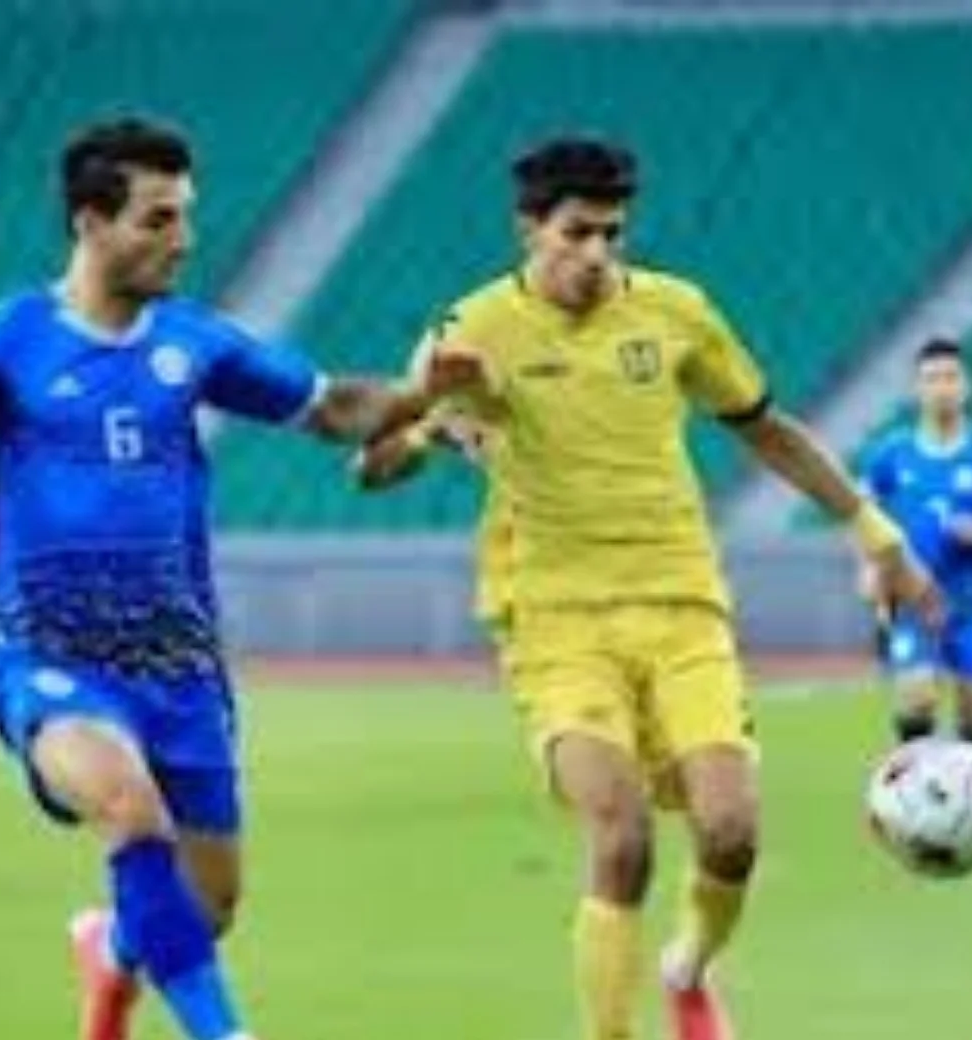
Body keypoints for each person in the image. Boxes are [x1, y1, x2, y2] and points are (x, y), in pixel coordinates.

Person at [0, 115, 428, 1040]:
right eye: (158, 219)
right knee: (132, 814)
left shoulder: (196, 342)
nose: (185, 239)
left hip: (179, 666)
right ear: (91, 223)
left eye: (185, 215)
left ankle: (112, 950)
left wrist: (430, 391)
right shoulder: (8, 338)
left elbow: (335, 408)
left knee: (205, 909)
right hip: (49, 655)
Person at [369, 135, 942, 1040]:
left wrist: (878, 533)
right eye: (578, 232)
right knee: (623, 834)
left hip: (681, 604)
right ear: (530, 229)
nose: (598, 253)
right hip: (555, 619)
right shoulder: (469, 332)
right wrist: (423, 416)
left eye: (613, 233)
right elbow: (374, 467)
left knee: (731, 834)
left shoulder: (676, 312)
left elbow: (767, 429)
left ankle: (690, 967)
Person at [859, 337, 972, 749]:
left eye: (950, 377)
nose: (942, 387)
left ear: (968, 386)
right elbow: (863, 515)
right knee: (918, 698)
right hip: (914, 597)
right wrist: (869, 567)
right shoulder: (891, 454)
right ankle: (912, 780)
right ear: (916, 389)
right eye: (931, 379)